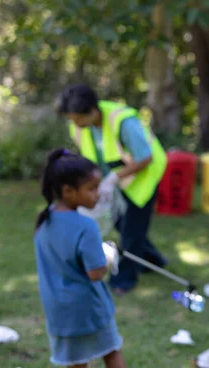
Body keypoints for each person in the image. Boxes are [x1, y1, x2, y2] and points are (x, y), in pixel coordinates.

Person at [58, 84, 168, 294]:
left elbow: (145, 157)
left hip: (144, 174)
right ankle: (154, 260)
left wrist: (113, 178)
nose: (74, 123)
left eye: (77, 118)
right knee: (119, 222)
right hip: (117, 177)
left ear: (92, 111)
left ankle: (123, 281)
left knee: (132, 229)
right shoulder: (81, 126)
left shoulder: (123, 121)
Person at [34, 149, 126, 368]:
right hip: (88, 310)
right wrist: (108, 256)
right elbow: (95, 273)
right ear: (68, 191)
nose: (98, 194)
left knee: (76, 361)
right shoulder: (86, 226)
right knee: (112, 352)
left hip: (58, 310)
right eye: (92, 188)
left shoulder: (45, 220)